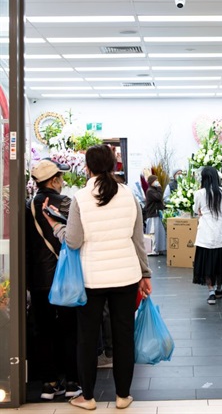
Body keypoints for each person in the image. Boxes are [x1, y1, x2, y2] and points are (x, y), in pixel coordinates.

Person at [43, 144, 152, 411]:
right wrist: (145, 274)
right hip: (126, 276)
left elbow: (74, 240)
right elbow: (138, 241)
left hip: (91, 280)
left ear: (88, 168)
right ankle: (123, 396)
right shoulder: (130, 196)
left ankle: (88, 397)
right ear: (114, 166)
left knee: (87, 338)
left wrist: (56, 226)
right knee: (123, 336)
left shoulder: (80, 197)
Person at [25, 159, 81, 401]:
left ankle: (48, 384)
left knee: (43, 331)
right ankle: (71, 382)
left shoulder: (27, 206)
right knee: (69, 329)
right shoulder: (66, 203)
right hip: (64, 276)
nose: (63, 181)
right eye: (60, 177)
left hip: (38, 279)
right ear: (54, 180)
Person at [192, 166, 222, 305]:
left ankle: (211, 292)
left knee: (207, 263)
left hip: (206, 234)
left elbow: (195, 209)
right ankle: (219, 288)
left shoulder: (199, 193)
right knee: (221, 262)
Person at [144, 174, 166, 254]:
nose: (157, 182)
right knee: (153, 231)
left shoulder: (153, 190)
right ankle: (152, 249)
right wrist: (160, 188)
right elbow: (158, 197)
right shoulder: (150, 191)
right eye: (155, 181)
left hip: (156, 213)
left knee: (158, 231)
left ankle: (158, 248)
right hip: (153, 213)